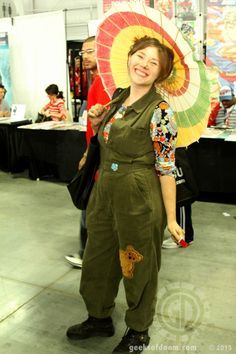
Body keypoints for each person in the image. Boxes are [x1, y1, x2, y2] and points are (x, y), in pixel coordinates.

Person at [66, 36, 184, 353]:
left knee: (137, 263)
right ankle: (99, 317)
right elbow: (108, 139)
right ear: (129, 56)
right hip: (105, 191)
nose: (143, 65)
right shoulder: (118, 98)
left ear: (160, 74)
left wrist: (171, 218)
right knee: (97, 258)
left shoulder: (161, 112)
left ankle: (138, 331)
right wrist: (97, 120)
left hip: (139, 194)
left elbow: (166, 167)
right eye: (140, 56)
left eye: (153, 62)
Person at [65, 36, 110, 268]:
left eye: (91, 51)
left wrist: (88, 155)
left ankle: (89, 254)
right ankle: (88, 253)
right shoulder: (96, 82)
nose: (86, 57)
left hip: (101, 157)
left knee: (91, 207)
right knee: (90, 207)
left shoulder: (103, 84)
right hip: (96, 155)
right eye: (84, 53)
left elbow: (101, 126)